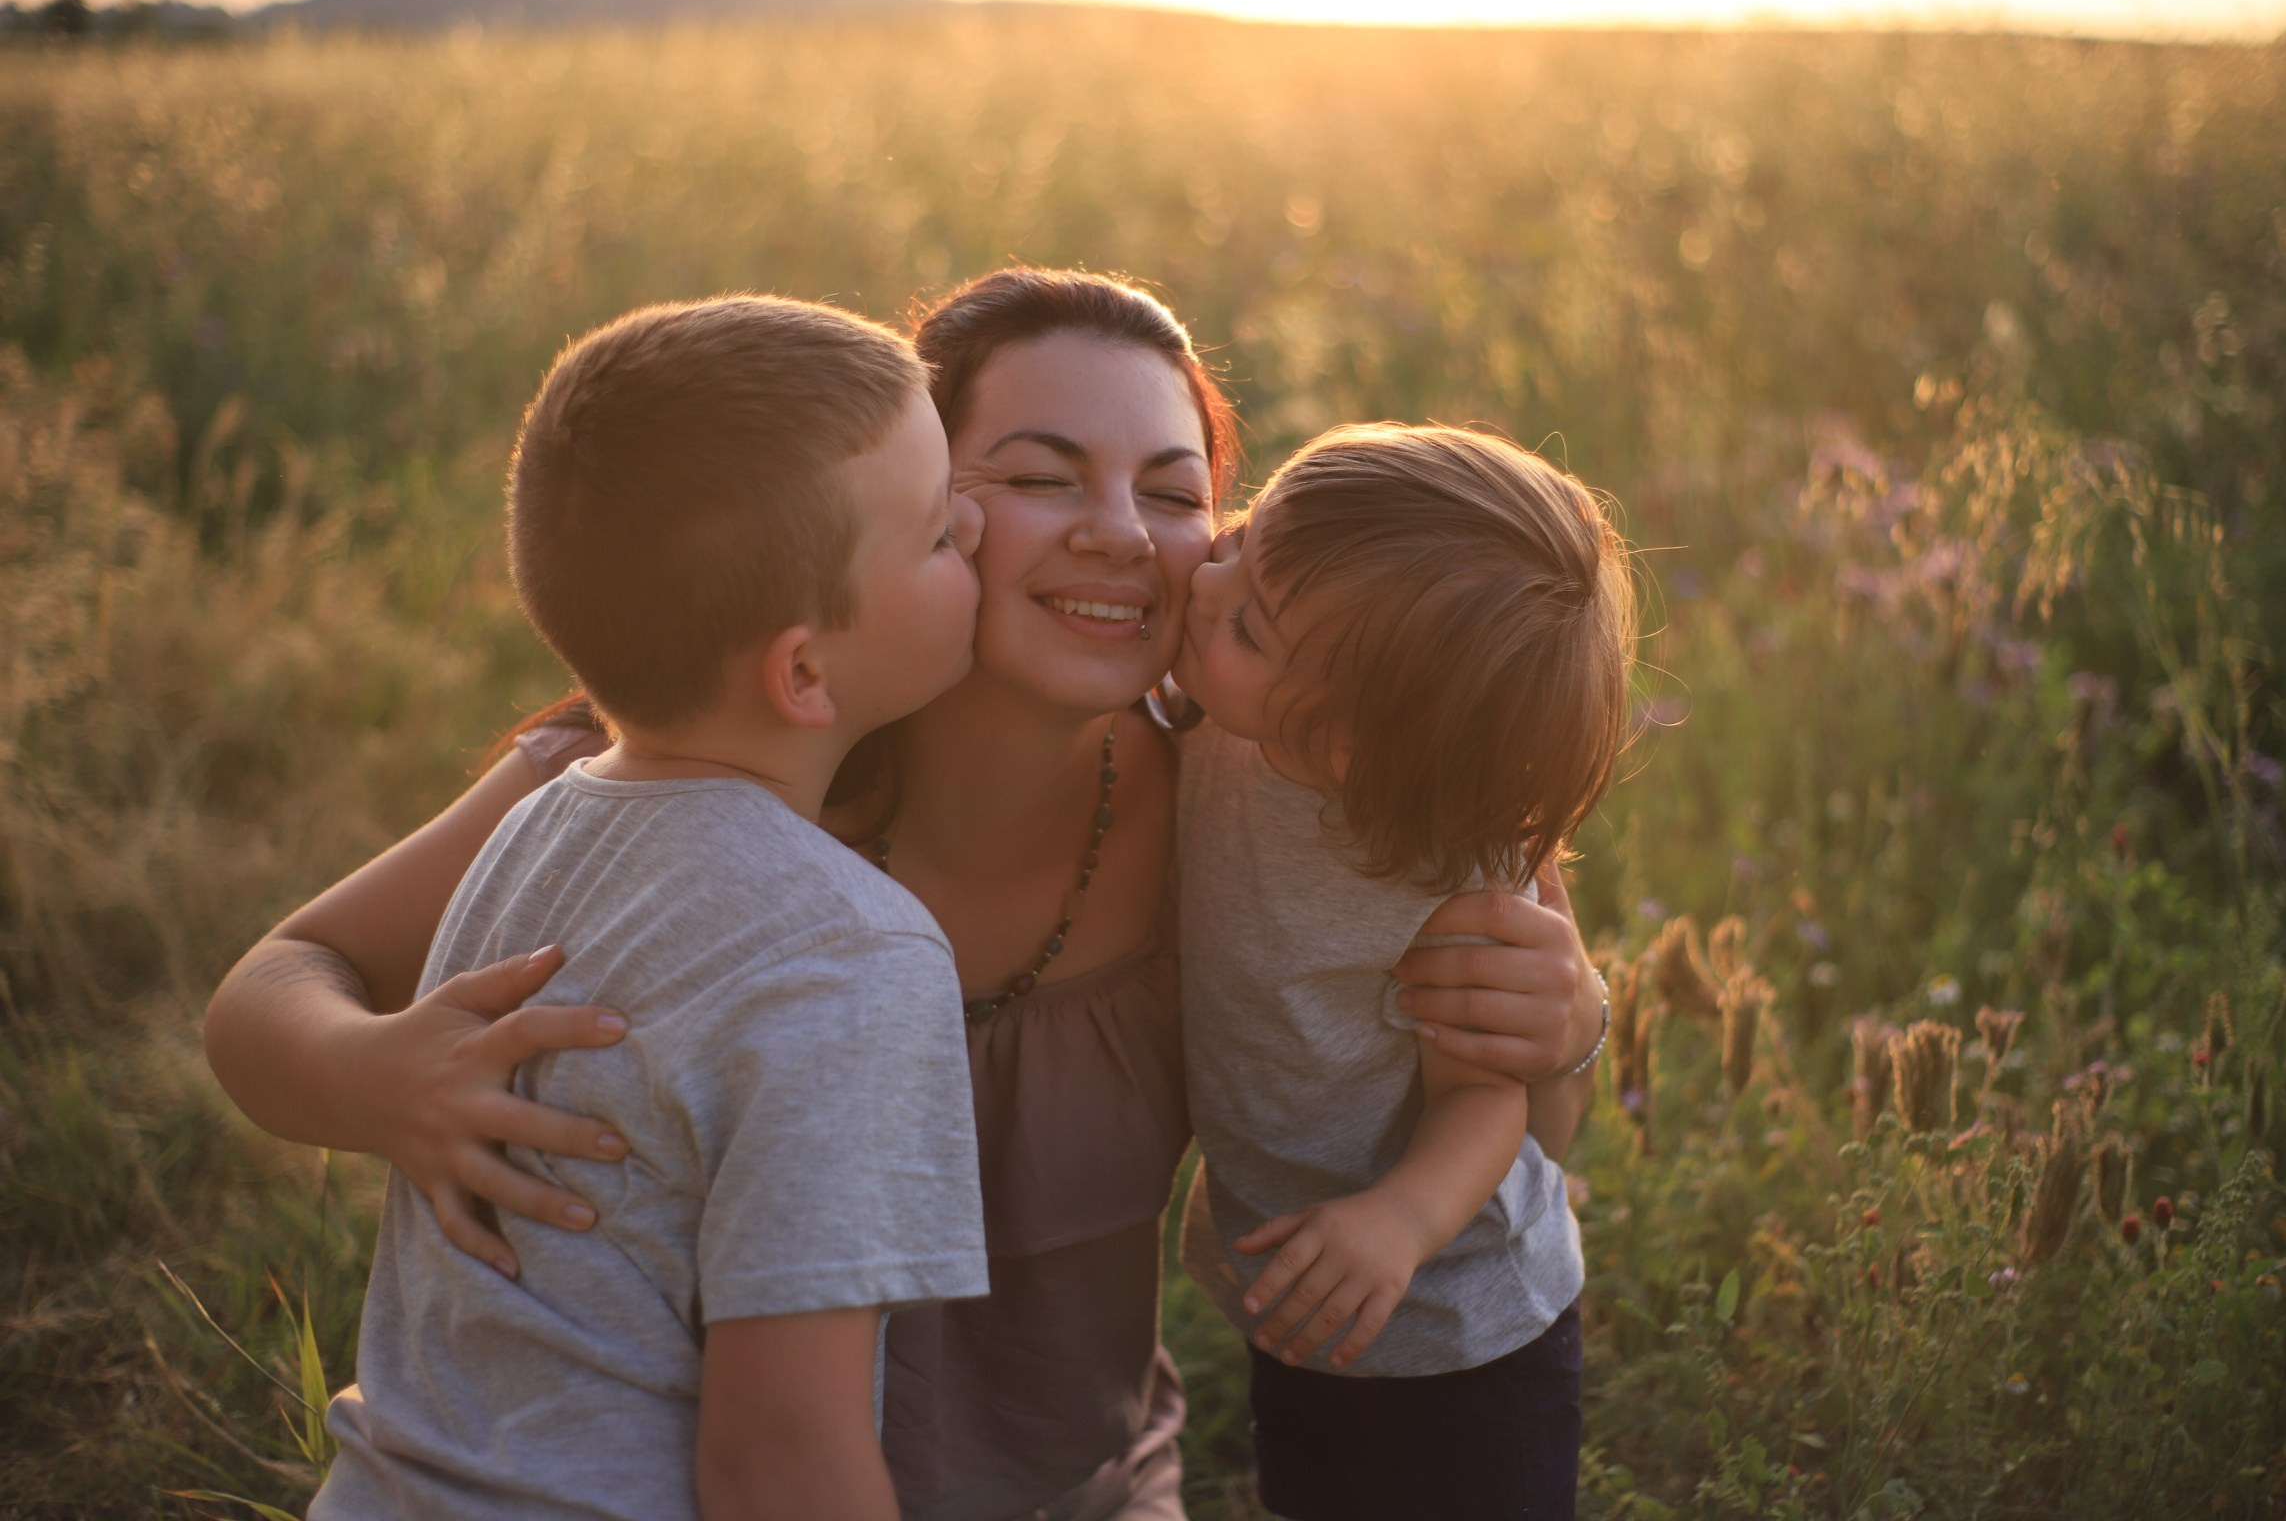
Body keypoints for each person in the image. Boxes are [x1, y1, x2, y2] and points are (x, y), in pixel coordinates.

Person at [206, 268, 1611, 1521]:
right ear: (910, 499)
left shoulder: (1255, 793)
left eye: (1178, 494)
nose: (1125, 533)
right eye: (1043, 476)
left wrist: (1564, 1031)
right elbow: (278, 984)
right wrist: (377, 1077)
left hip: (1085, 1487)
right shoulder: (672, 776)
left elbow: (1507, 1122)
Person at [311, 296, 994, 1521]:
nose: (982, 530)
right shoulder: (856, 955)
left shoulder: (538, 828)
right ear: (802, 672)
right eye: (943, 532)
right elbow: (781, 1458)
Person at [1171, 425, 1632, 1521]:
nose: (1203, 582)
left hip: (1464, 1324)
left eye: (1245, 620)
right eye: (1241, 535)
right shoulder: (1210, 720)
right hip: (1299, 1288)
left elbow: (1485, 1098)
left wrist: (1397, 1222)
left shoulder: (1445, 869)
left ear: (1349, 750)